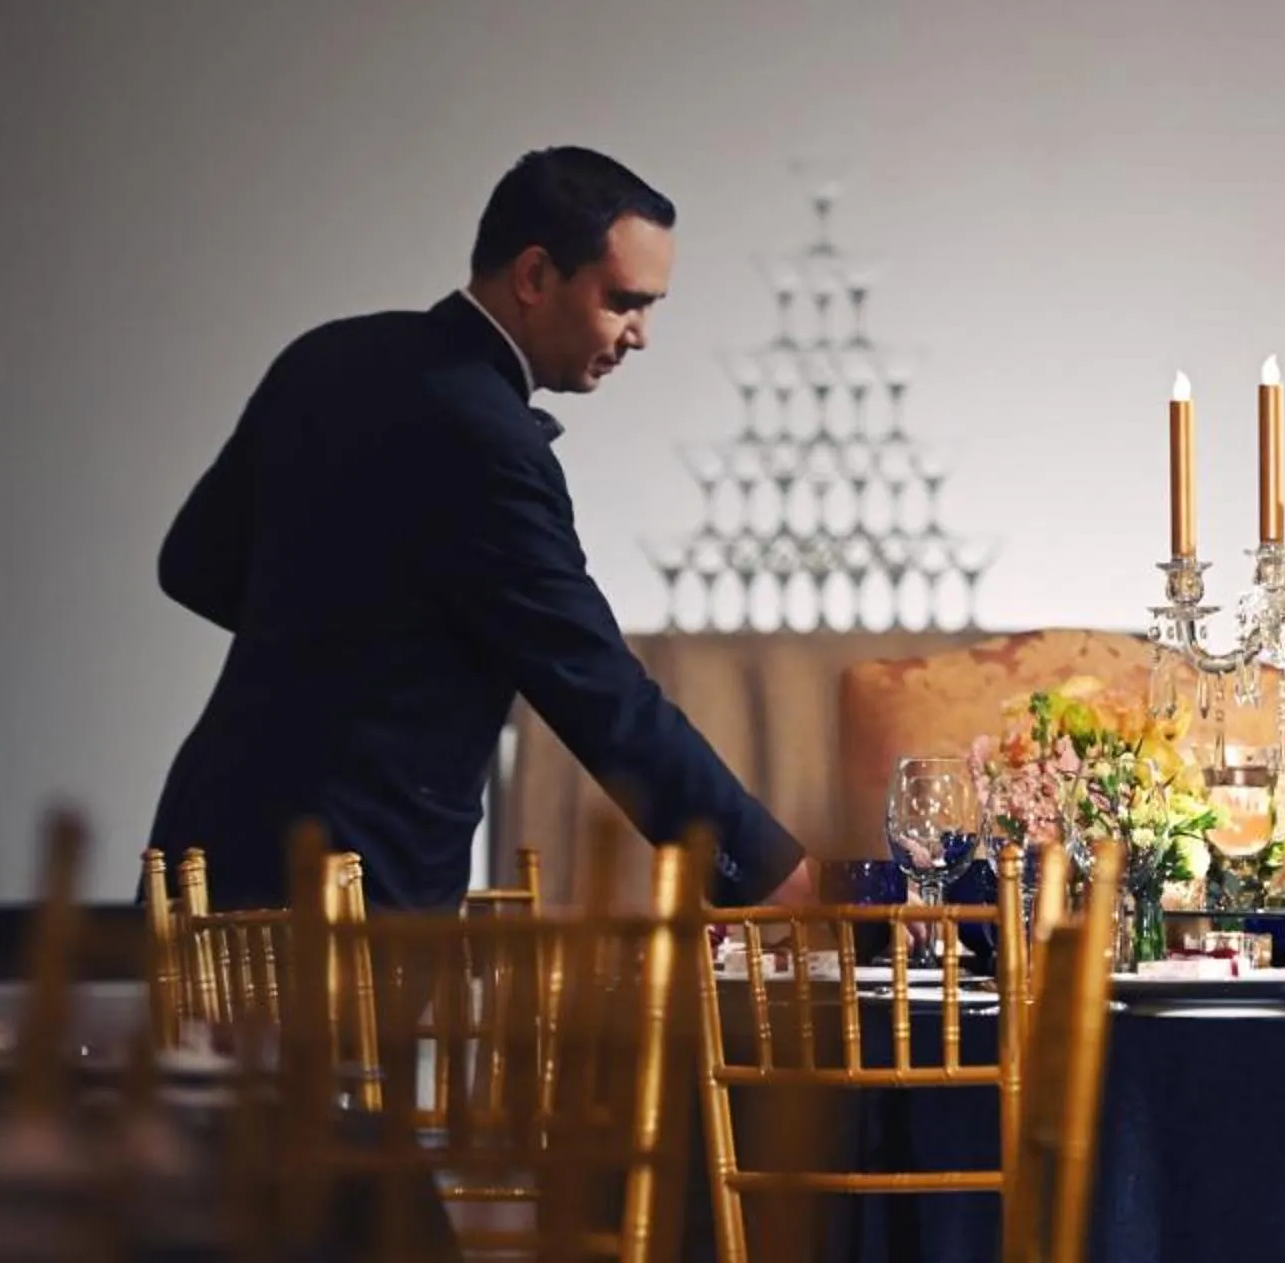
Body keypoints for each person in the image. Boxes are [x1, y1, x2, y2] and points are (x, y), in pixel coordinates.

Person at [148, 147, 811, 909]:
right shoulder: (485, 437)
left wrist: (364, 645)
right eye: (624, 300)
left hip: (199, 849)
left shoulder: (325, 355)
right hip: (348, 881)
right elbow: (596, 688)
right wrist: (764, 868)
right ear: (533, 276)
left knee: (186, 1039)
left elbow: (193, 563)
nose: (640, 334)